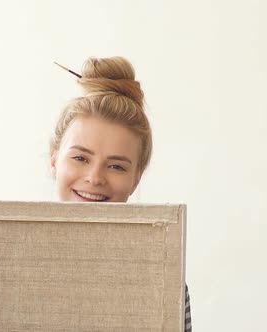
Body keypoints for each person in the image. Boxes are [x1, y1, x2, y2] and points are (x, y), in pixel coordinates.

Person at [50, 56, 192, 331]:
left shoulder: (164, 278)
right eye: (80, 158)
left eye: (116, 166)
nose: (94, 178)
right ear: (55, 161)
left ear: (135, 179)